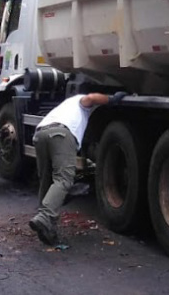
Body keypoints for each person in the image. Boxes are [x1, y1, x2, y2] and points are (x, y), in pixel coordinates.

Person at [28, 91, 127, 246]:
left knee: (47, 181)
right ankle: (45, 217)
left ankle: (47, 228)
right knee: (64, 179)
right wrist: (112, 99)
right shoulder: (80, 101)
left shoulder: (65, 106)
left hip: (40, 134)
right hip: (61, 134)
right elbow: (91, 98)